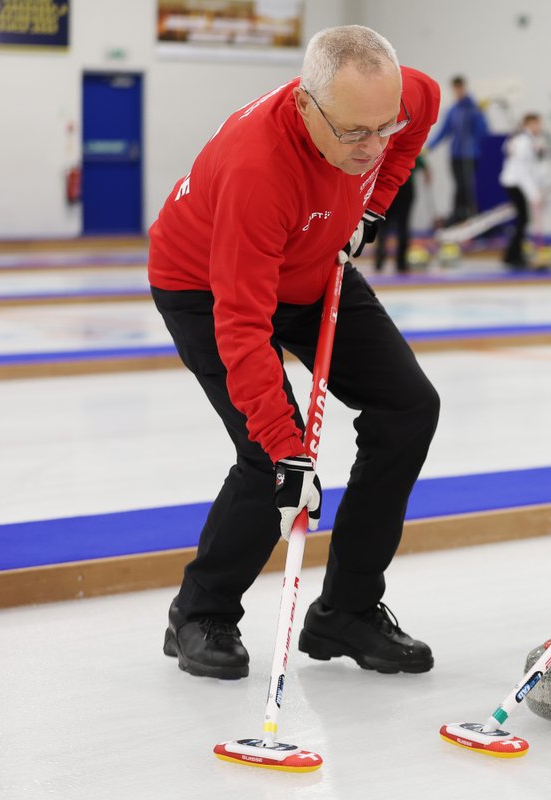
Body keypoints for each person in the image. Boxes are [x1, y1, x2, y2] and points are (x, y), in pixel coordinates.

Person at [147, 26, 441, 680]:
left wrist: (376, 207)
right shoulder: (258, 169)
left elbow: (424, 110)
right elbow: (242, 322)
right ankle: (200, 613)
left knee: (409, 408)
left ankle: (348, 613)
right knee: (268, 455)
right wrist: (285, 446)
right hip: (206, 284)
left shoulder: (397, 101)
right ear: (307, 105)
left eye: (383, 128)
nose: (372, 148)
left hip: (315, 265)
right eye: (353, 134)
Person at [427, 75, 488, 224]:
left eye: (460, 88)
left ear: (464, 87)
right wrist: (428, 147)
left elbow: (483, 131)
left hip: (471, 154)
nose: (458, 91)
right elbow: (444, 131)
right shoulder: (453, 110)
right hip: (456, 154)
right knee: (459, 185)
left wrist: (479, 113)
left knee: (468, 185)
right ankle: (458, 215)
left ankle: (472, 213)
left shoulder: (474, 108)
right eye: (455, 89)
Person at [499, 113, 546, 270]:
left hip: (516, 182)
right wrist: (534, 194)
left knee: (523, 220)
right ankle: (513, 256)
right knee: (523, 220)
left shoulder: (527, 140)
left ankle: (512, 255)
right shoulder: (523, 141)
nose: (539, 127)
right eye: (537, 124)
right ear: (529, 124)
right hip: (515, 182)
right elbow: (522, 170)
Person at [375, 151, 429, 274]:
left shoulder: (387, 142)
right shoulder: (408, 143)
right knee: (401, 225)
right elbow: (423, 165)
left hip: (388, 187)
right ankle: (401, 263)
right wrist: (426, 173)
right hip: (403, 187)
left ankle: (380, 261)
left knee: (384, 225)